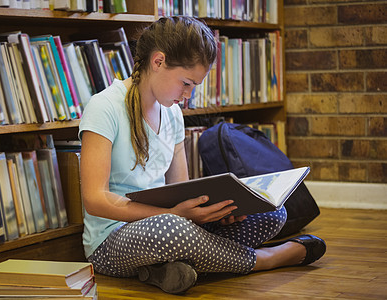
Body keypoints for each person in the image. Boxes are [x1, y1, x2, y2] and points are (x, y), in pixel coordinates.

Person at [78, 16, 326, 295]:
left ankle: (166, 269)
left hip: (169, 226)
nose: (188, 95)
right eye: (185, 83)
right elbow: (95, 200)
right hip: (112, 241)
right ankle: (264, 259)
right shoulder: (104, 107)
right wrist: (173, 214)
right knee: (173, 229)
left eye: (194, 86)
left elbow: (180, 191)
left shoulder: (171, 114)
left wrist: (213, 213)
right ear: (158, 62)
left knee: (273, 212)